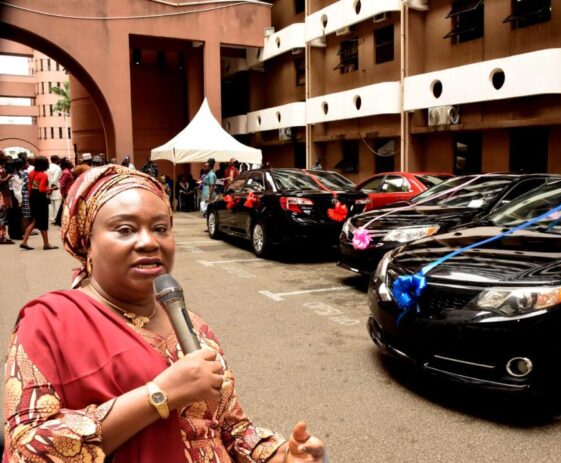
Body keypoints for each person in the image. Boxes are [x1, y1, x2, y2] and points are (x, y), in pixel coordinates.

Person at [3, 165, 326, 462]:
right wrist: (159, 395)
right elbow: (25, 449)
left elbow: (231, 429)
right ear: (88, 243)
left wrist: (283, 454)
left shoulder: (193, 326)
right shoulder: (49, 323)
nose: (148, 242)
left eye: (160, 228)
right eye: (125, 229)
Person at [18, 156, 59, 250]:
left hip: (33, 197)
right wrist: (52, 188)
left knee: (34, 221)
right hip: (40, 199)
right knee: (43, 222)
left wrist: (29, 198)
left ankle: (24, 241)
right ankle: (46, 244)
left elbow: (29, 187)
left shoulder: (31, 173)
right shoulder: (43, 175)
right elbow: (41, 189)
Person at [0, 154, 13, 244]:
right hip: (1, 194)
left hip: (4, 194)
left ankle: (2, 236)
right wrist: (9, 176)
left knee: (3, 216)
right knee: (2, 217)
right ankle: (1, 237)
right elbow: (1, 181)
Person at [47, 155, 62, 224]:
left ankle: (51, 219)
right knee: (57, 204)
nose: (60, 160)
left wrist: (49, 188)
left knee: (50, 205)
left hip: (48, 188)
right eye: (59, 159)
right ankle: (56, 219)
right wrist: (52, 188)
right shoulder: (57, 168)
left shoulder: (48, 167)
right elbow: (55, 179)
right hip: (55, 188)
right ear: (56, 160)